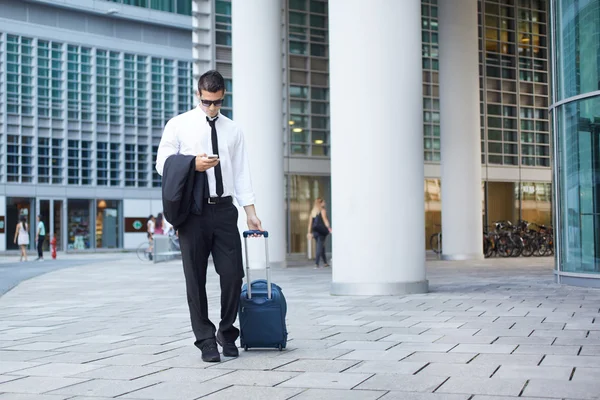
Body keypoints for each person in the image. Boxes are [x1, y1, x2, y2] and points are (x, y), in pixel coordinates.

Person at [156, 70, 263, 363]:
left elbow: (241, 173)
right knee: (195, 278)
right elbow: (161, 163)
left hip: (225, 210)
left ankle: (227, 332)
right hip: (193, 212)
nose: (211, 108)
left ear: (223, 96)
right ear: (198, 95)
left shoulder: (234, 130)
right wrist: (193, 164)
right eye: (206, 102)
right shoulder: (178, 125)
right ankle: (205, 339)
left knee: (233, 275)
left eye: (216, 102)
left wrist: (250, 213)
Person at [307, 197, 332, 269]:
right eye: (323, 202)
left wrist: (309, 232)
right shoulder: (322, 210)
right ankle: (316, 263)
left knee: (321, 246)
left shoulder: (313, 211)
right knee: (319, 247)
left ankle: (325, 263)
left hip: (315, 231)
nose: (325, 203)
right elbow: (325, 221)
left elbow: (310, 223)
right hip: (321, 231)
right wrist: (329, 228)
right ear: (320, 203)